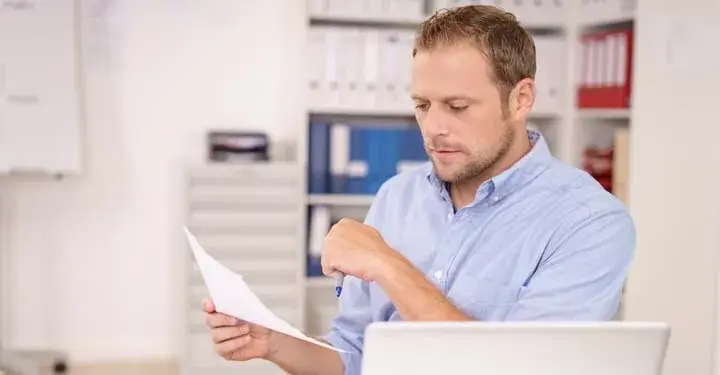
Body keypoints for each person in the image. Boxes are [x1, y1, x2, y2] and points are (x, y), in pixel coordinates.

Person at [202, 4, 636, 375]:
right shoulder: (397, 197)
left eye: (458, 107)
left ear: (520, 99)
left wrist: (387, 265)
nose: (434, 128)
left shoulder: (590, 223)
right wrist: (274, 342)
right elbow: (354, 353)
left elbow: (514, 369)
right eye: (423, 106)